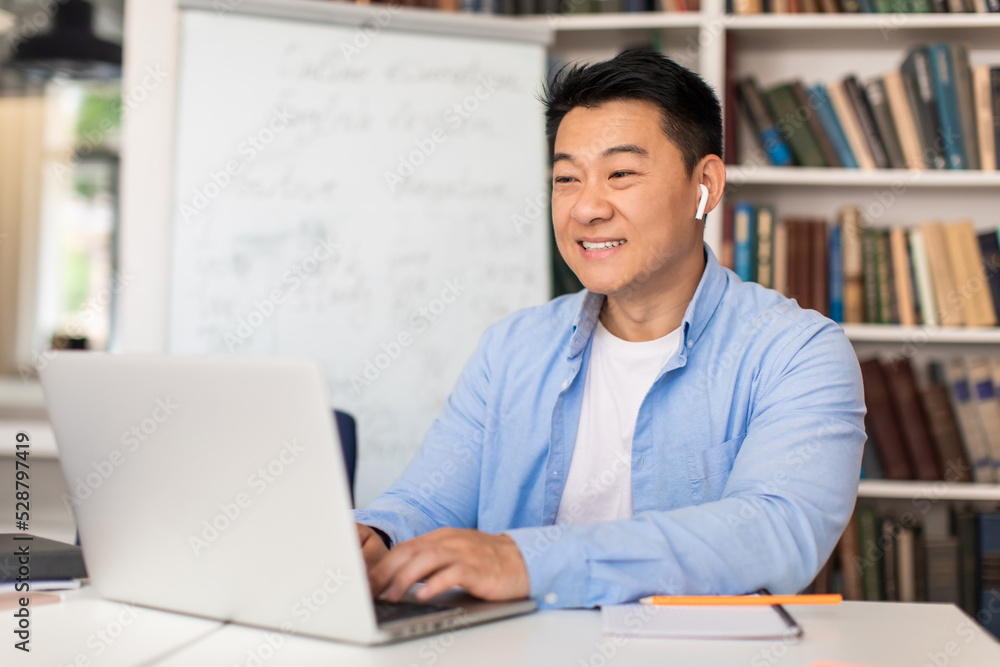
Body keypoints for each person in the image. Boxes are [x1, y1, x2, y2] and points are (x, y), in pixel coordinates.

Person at [354, 49, 866, 609]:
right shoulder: (511, 348)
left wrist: (524, 560)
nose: (586, 208)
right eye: (566, 178)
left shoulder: (797, 352)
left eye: (620, 174)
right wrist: (377, 538)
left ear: (706, 185)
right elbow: (427, 503)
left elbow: (774, 530)